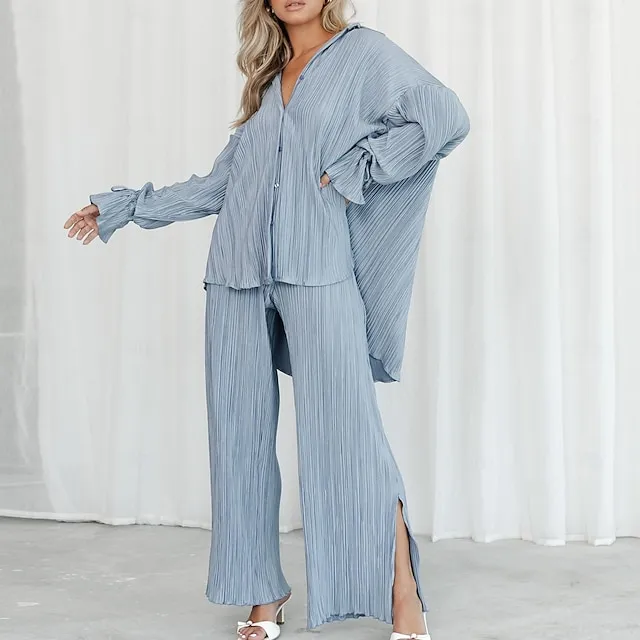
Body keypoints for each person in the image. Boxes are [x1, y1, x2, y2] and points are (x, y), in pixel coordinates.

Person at [63, 1, 470, 638]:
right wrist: (122, 208)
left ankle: (403, 591)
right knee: (239, 441)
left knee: (349, 437)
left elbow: (445, 117)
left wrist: (361, 165)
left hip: (318, 271)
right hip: (235, 276)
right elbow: (220, 186)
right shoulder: (267, 76)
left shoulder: (365, 54)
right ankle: (262, 593)